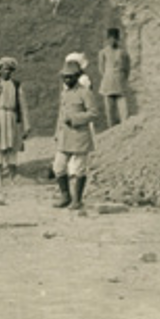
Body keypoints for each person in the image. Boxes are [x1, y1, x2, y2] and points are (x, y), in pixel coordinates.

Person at [52, 59, 100, 210]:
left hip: (80, 136)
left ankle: (77, 200)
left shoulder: (85, 93)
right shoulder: (64, 93)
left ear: (77, 76)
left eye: (70, 77)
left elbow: (93, 113)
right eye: (65, 77)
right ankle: (65, 196)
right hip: (65, 136)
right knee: (58, 167)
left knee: (79, 169)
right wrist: (56, 132)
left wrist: (75, 119)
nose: (67, 79)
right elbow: (61, 115)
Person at [0, 57, 30, 185]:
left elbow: (23, 106)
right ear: (0, 70)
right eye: (4, 69)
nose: (7, 72)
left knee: (12, 148)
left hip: (12, 117)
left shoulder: (17, 85)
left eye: (9, 70)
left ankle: (12, 177)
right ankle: (0, 178)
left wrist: (26, 125)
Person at [97, 28, 132, 128]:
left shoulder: (123, 53)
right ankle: (111, 131)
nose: (113, 41)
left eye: (115, 38)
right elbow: (101, 68)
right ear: (107, 39)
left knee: (124, 111)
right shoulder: (103, 52)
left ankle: (125, 129)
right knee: (109, 111)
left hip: (120, 83)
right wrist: (108, 75)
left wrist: (122, 77)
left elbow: (127, 68)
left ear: (118, 39)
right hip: (108, 83)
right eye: (111, 38)